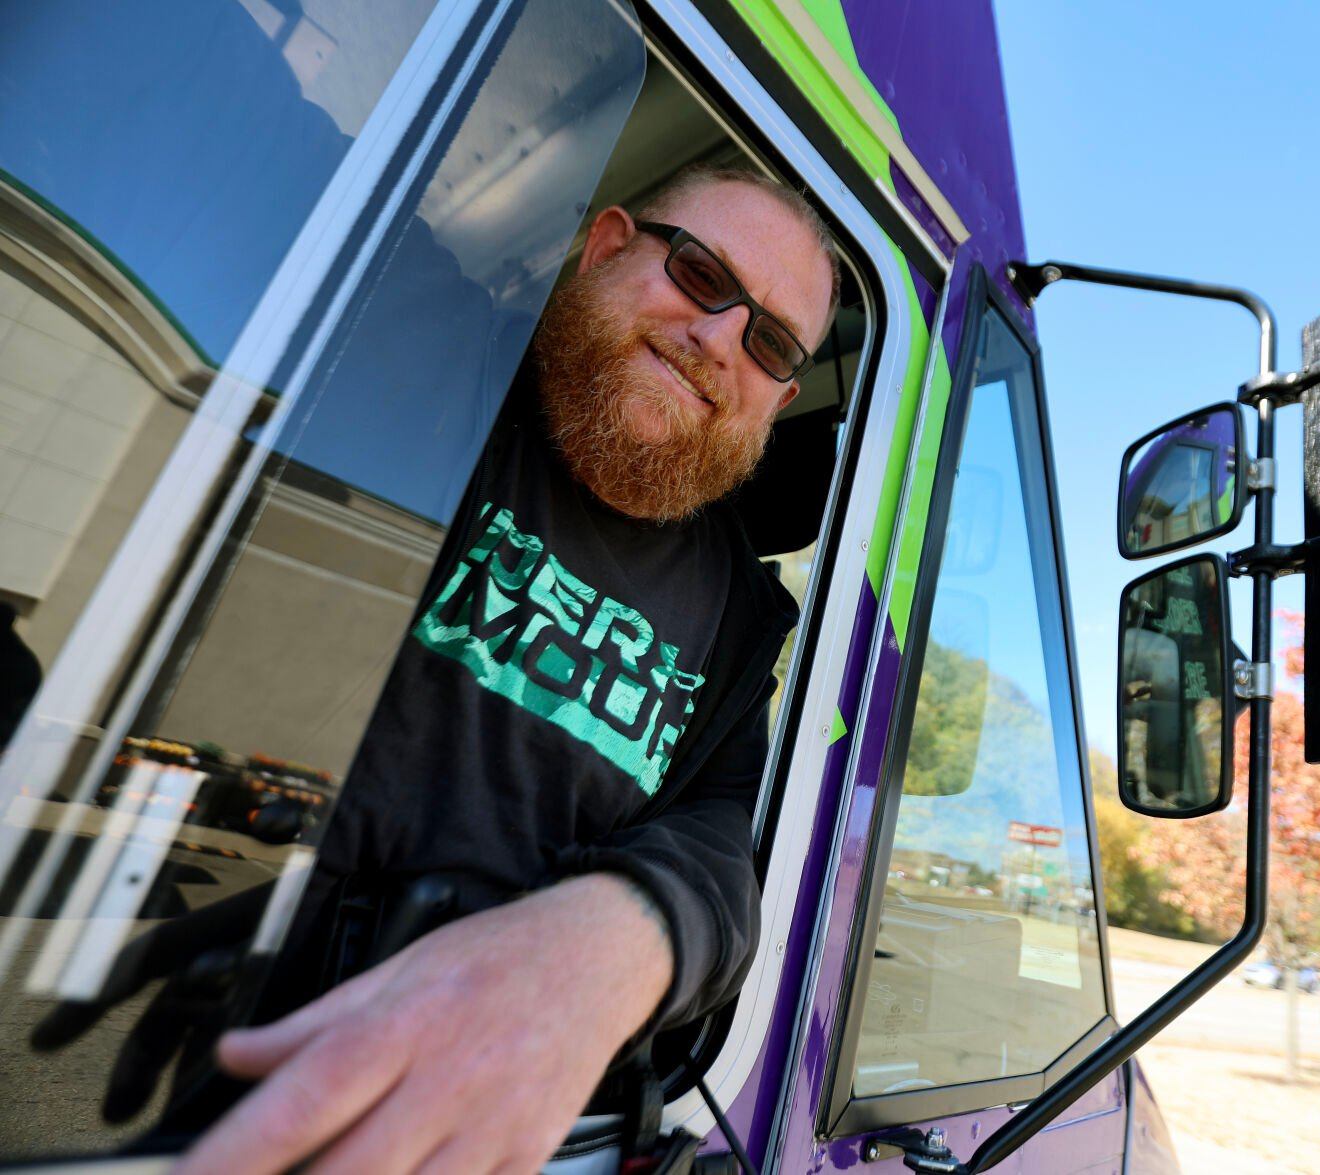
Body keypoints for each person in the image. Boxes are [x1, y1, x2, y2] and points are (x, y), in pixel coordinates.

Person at [170, 165, 840, 1174]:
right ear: (607, 244)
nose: (718, 339)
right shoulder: (419, 346)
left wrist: (621, 936)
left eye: (770, 340)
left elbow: (719, 841)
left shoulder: (741, 621)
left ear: (780, 394)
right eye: (701, 274)